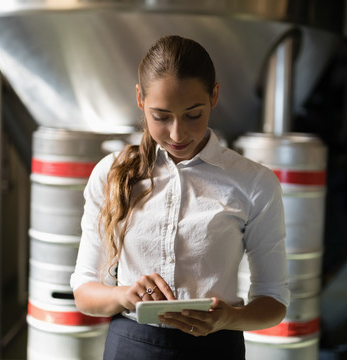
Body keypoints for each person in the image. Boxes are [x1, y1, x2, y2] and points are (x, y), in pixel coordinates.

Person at [70, 35, 290, 360]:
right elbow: (85, 292)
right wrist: (125, 295)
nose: (177, 133)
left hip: (216, 348)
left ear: (214, 96)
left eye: (193, 115)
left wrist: (230, 317)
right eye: (161, 116)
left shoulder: (254, 183)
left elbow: (274, 301)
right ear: (140, 99)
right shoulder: (111, 173)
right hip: (130, 346)